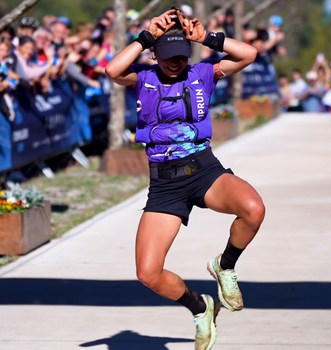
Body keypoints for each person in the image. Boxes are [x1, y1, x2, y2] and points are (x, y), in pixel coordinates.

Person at [106, 8, 264, 350]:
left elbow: (249, 54)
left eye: (180, 56)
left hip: (203, 169)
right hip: (165, 183)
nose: (175, 63)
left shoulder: (203, 73)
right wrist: (145, 36)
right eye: (167, 56)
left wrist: (206, 38)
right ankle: (200, 307)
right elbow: (112, 70)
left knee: (253, 209)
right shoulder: (143, 79)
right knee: (148, 273)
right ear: (154, 54)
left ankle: (224, 266)